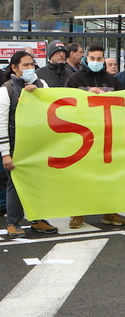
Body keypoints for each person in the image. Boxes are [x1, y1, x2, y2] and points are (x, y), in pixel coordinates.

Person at [64, 44, 125, 228]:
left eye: (99, 59)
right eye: (92, 58)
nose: (96, 62)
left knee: (109, 175)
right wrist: (85, 95)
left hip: (107, 136)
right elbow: (66, 102)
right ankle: (77, 213)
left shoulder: (112, 80)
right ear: (86, 58)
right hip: (82, 136)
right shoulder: (75, 78)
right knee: (81, 176)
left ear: (104, 59)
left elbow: (124, 102)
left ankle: (109, 211)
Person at [1, 51, 58, 238]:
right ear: (14, 68)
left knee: (40, 181)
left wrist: (37, 93)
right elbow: (2, 124)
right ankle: (13, 222)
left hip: (39, 144)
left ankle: (37, 219)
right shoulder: (6, 90)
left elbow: (53, 106)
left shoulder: (42, 85)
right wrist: (5, 153)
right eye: (25, 65)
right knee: (16, 183)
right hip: (17, 144)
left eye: (32, 64)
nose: (30, 68)